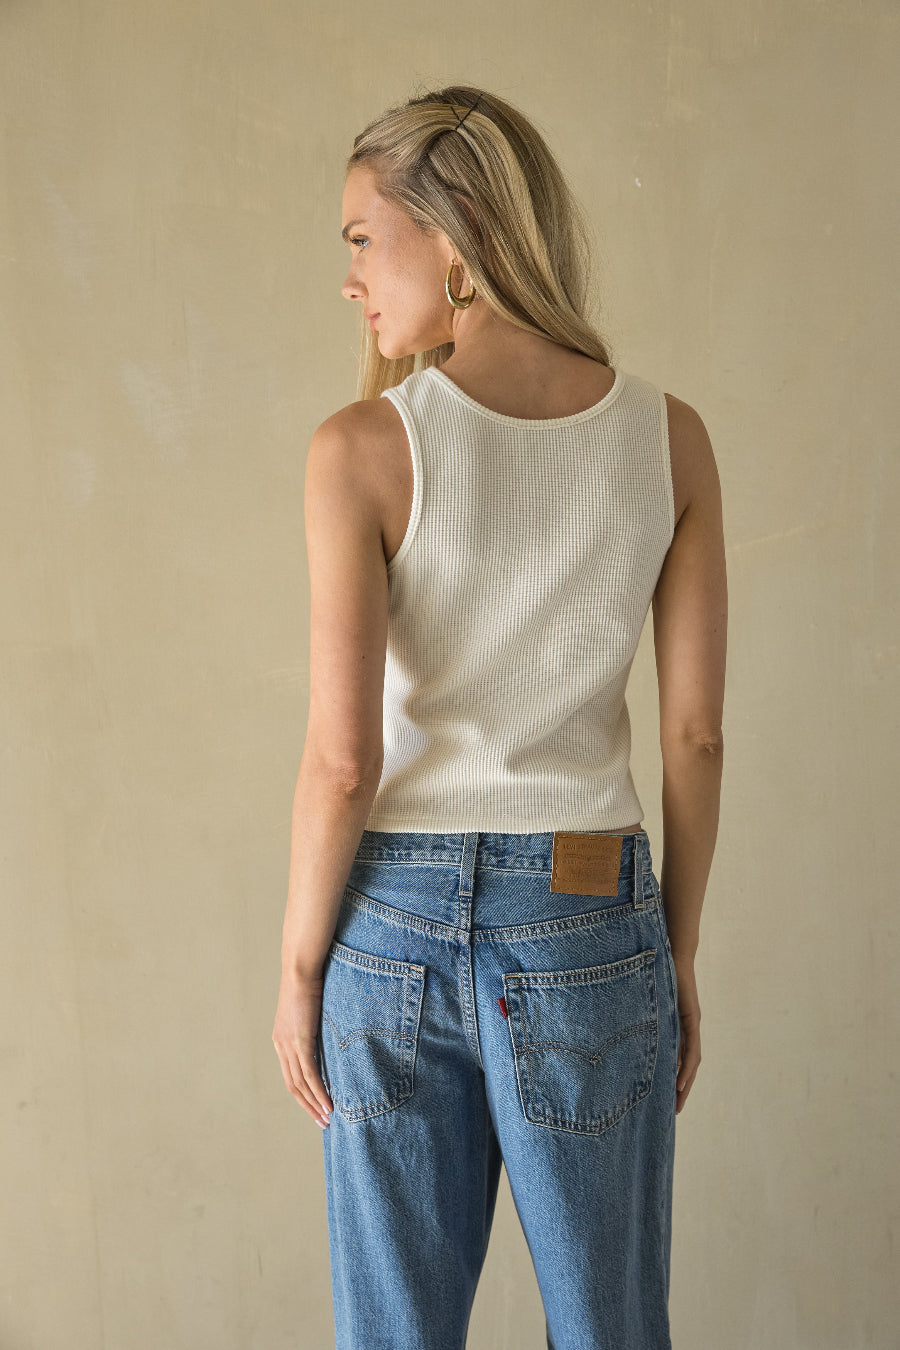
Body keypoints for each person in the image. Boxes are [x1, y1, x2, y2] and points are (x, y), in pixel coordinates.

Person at [272, 84, 727, 1350]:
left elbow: (343, 757)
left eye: (365, 238)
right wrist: (674, 952)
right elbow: (694, 737)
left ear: (453, 232)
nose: (351, 279)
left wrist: (303, 963)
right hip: (590, 911)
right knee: (612, 1328)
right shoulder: (670, 440)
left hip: (391, 931)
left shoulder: (360, 448)